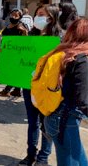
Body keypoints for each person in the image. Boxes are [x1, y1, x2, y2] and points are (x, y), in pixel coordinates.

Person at [19, 4, 60, 166]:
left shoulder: (59, 40)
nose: (38, 17)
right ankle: (31, 154)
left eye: (42, 14)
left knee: (46, 124)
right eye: (37, 14)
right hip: (29, 87)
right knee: (32, 123)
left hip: (47, 90)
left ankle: (43, 157)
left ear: (51, 18)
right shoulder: (31, 37)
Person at [44, 18, 88, 165]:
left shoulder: (61, 53)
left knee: (80, 161)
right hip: (64, 121)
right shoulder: (81, 59)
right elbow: (83, 99)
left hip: (54, 116)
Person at [0, 8, 28, 97]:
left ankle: (6, 90)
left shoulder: (21, 26)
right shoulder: (8, 26)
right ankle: (17, 90)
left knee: (13, 72)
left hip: (17, 53)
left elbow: (27, 41)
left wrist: (24, 31)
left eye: (16, 15)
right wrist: (1, 47)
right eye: (12, 15)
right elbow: (3, 38)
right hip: (8, 52)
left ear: (20, 17)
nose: (13, 17)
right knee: (12, 71)